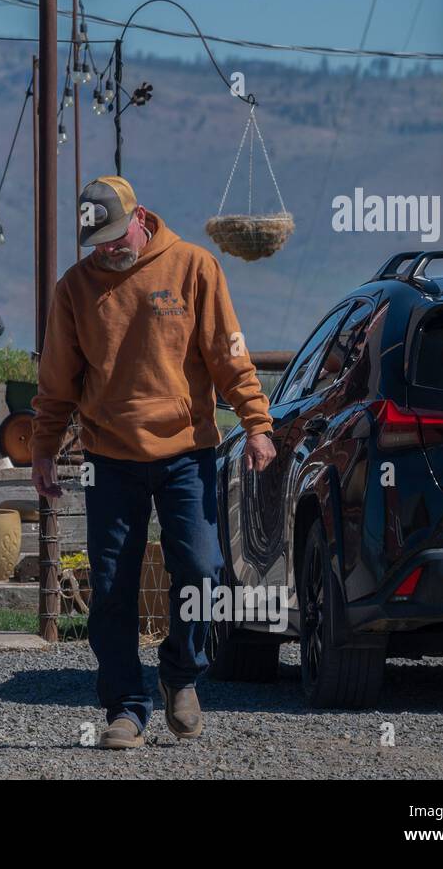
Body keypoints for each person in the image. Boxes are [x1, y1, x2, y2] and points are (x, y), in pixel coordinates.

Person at [30, 175, 276, 749]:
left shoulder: (194, 267)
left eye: (117, 237)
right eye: (99, 243)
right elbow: (56, 381)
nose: (110, 250)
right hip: (109, 457)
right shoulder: (75, 289)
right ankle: (125, 708)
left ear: (140, 218)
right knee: (112, 585)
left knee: (202, 568)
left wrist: (258, 424)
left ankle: (179, 674)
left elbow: (228, 354)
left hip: (187, 452)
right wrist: (43, 448)